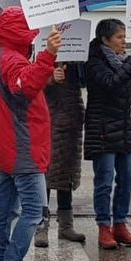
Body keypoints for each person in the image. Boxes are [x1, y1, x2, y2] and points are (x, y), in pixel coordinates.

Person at [0, 7, 58, 261]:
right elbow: (23, 87)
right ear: (20, 31)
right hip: (22, 147)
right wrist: (48, 56)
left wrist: (39, 63)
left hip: (5, 146)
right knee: (34, 212)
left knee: (5, 212)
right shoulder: (11, 58)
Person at [83, 19, 131, 251]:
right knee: (104, 181)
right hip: (102, 128)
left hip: (123, 127)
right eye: (120, 37)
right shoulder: (93, 60)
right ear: (105, 40)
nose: (124, 41)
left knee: (126, 179)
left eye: (124, 36)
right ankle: (104, 226)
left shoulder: (119, 60)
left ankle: (120, 223)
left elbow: (124, 85)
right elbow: (111, 82)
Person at [36, 62, 87, 247]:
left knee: (67, 172)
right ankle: (41, 224)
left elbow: (85, 80)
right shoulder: (42, 47)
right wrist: (49, 78)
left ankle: (66, 225)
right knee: (48, 172)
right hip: (50, 117)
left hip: (72, 118)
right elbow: (28, 81)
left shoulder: (78, 51)